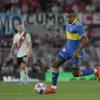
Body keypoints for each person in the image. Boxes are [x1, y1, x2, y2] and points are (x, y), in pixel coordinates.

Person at [44, 9, 100, 94]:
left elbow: (86, 40)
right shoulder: (67, 23)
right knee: (55, 64)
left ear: (74, 17)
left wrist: (77, 51)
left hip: (76, 53)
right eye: (67, 17)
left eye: (69, 17)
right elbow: (69, 35)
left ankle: (96, 70)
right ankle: (53, 88)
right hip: (67, 50)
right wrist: (66, 44)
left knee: (76, 74)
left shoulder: (78, 26)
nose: (68, 19)